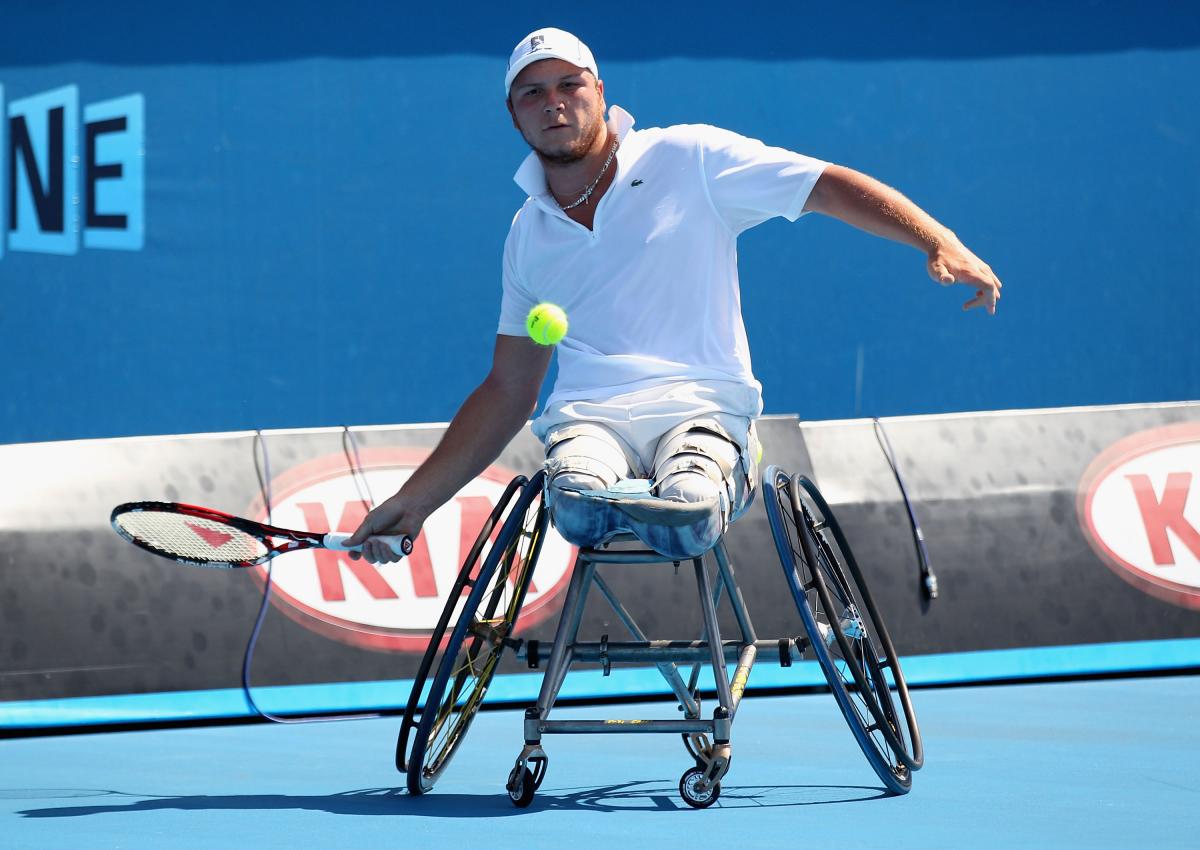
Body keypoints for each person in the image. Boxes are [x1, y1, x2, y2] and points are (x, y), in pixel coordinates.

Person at [347, 27, 1002, 564]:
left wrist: (935, 238)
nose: (554, 103)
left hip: (704, 411)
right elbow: (509, 390)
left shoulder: (690, 158)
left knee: (688, 490)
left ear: (600, 92)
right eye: (533, 93)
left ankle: (691, 499)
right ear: (513, 114)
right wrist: (417, 501)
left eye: (570, 84)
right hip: (589, 422)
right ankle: (600, 501)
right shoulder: (528, 235)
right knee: (574, 493)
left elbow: (826, 185)